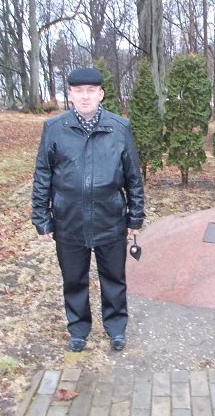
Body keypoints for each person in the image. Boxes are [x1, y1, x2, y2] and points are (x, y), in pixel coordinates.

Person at [31, 67, 145, 352]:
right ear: (70, 95)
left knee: (114, 279)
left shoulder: (119, 128)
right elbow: (43, 174)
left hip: (110, 219)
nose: (85, 97)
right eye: (79, 91)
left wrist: (135, 216)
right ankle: (79, 329)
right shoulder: (54, 128)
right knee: (74, 280)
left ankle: (116, 327)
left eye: (91, 91)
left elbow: (133, 176)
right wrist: (42, 218)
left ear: (101, 94)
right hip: (69, 220)